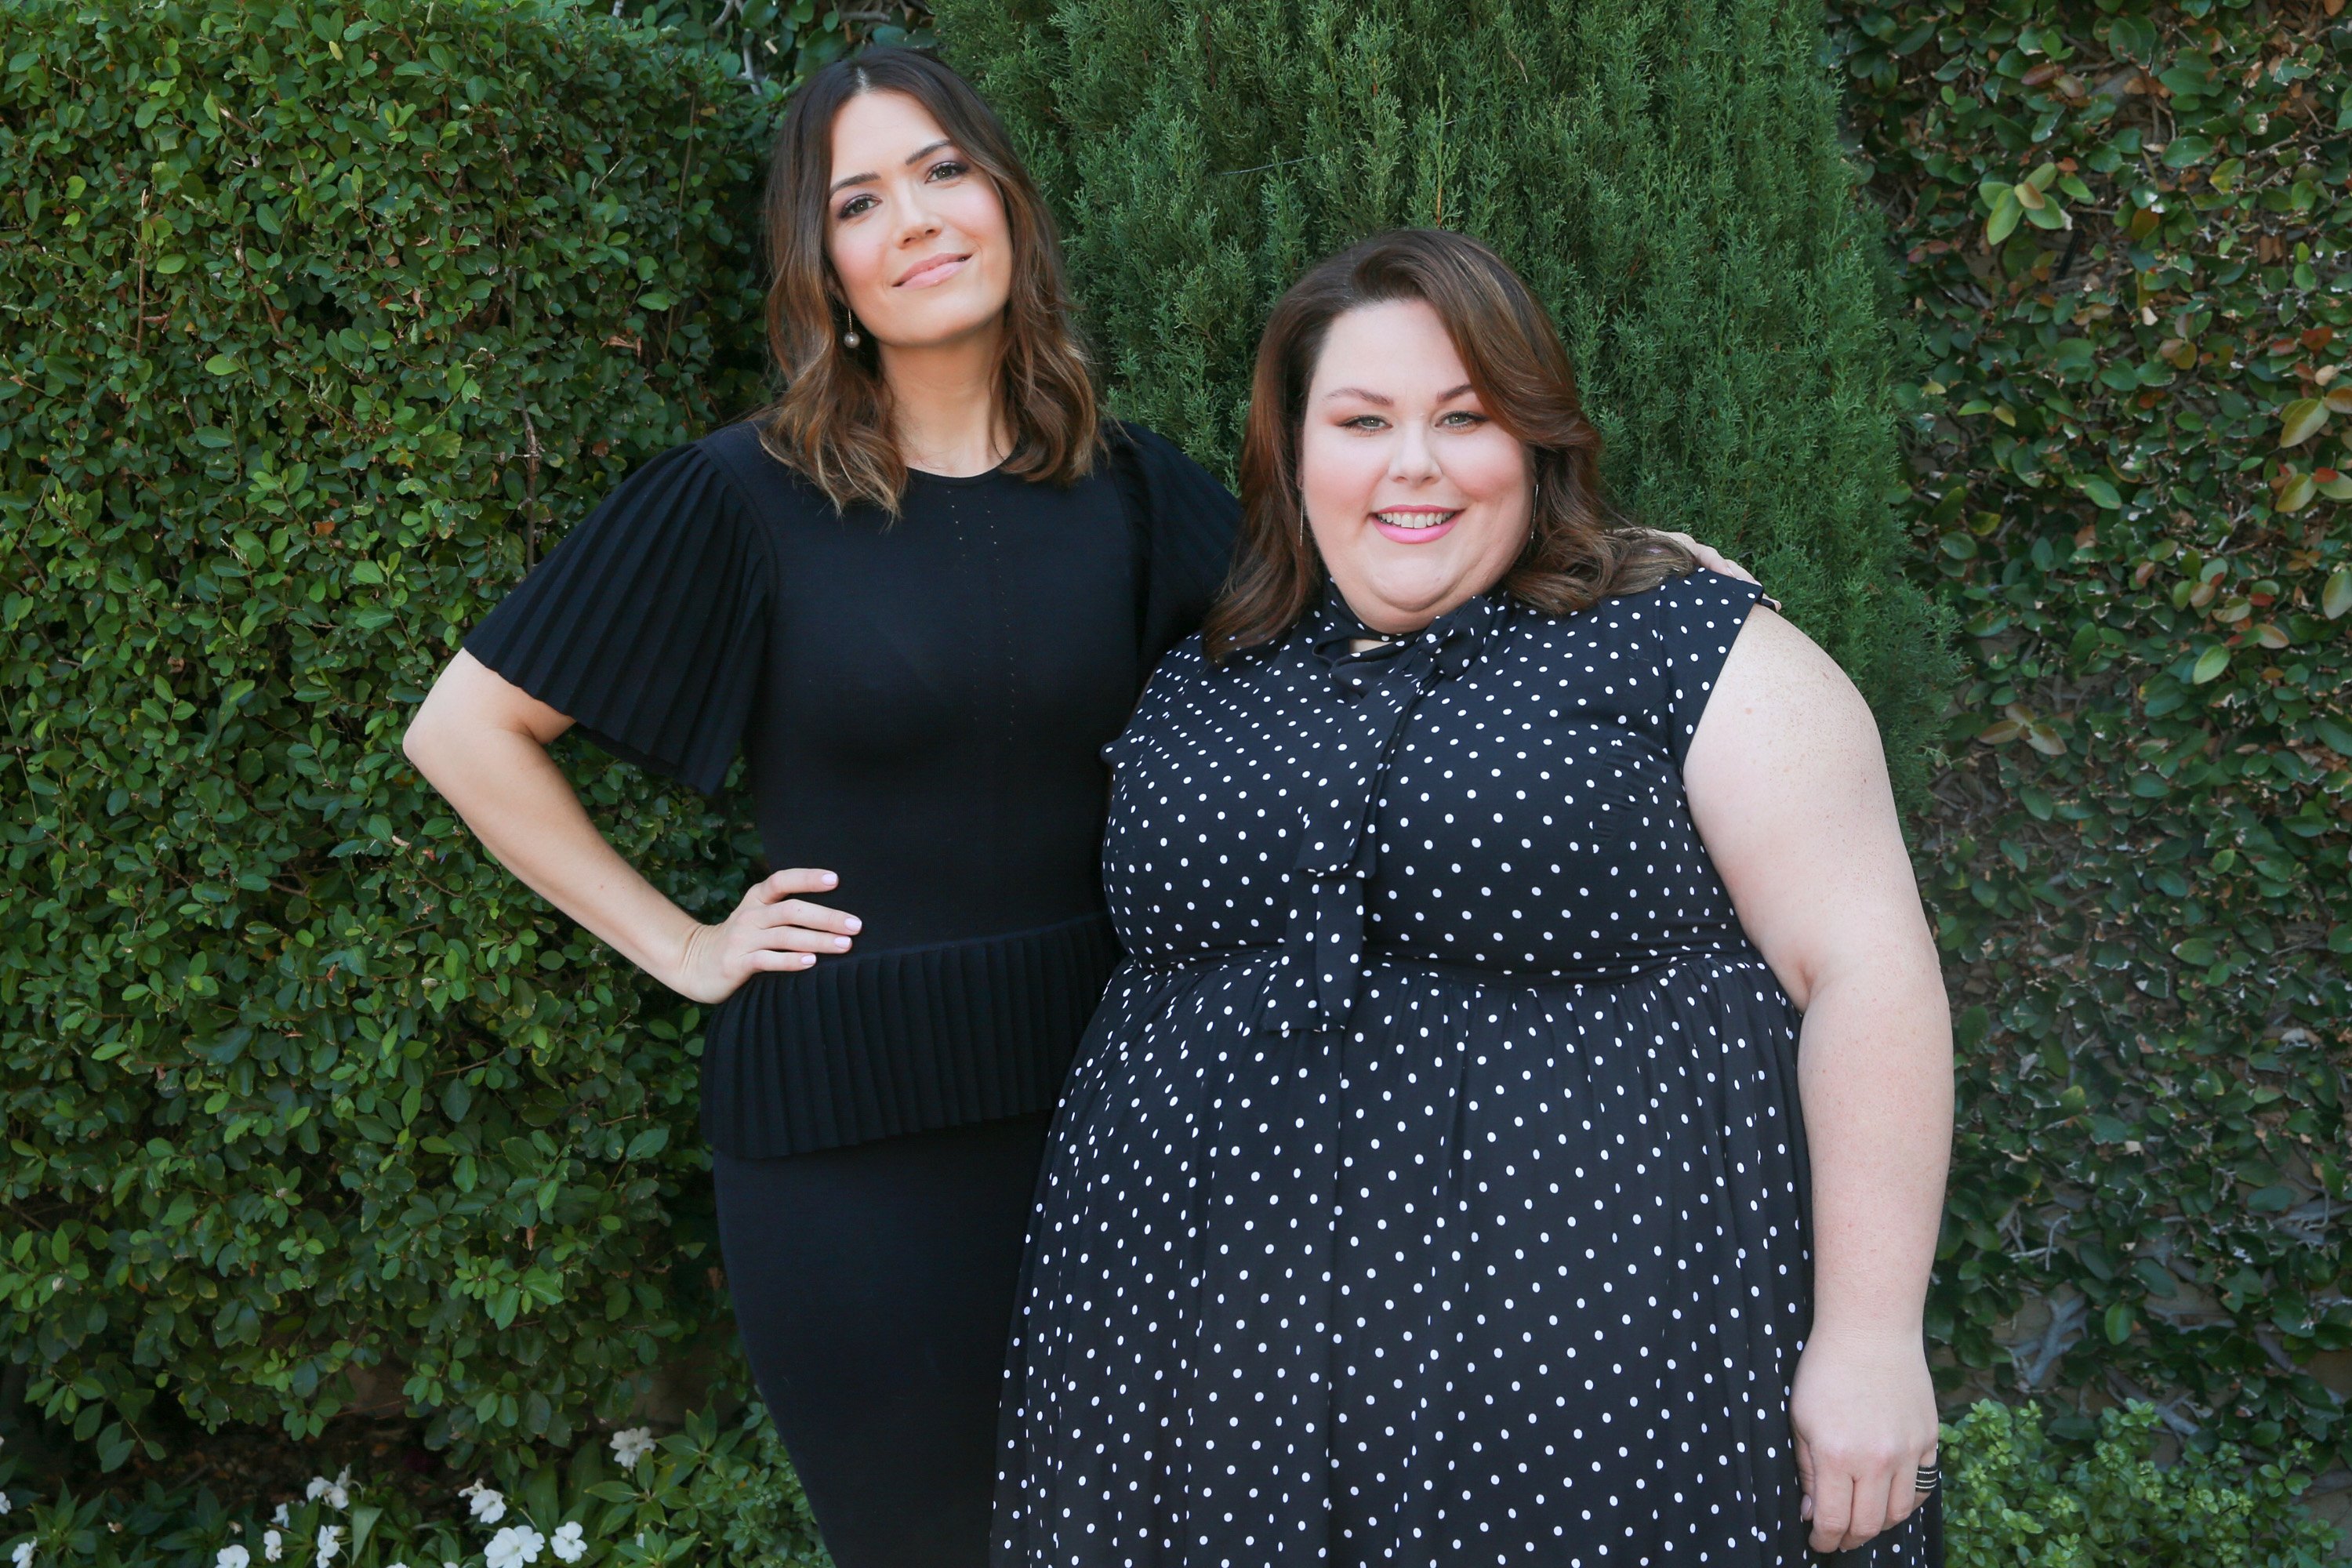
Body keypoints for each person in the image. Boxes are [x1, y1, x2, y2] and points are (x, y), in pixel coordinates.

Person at [405, 45, 1752, 1568]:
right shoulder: (739, 498)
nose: (912, 218)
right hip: (851, 1146)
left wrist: (1630, 563)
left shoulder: (1130, 493)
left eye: (942, 172)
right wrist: (683, 944)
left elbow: (1384, 570)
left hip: (1114, 1124)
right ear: (825, 269)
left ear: (1006, 204)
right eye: (858, 201)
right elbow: (468, 729)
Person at [993, 229, 1954, 1566]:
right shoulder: (1204, 674)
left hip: (1610, 1413)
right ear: (1291, 448)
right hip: (1193, 1412)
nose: (1414, 464)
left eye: (1466, 417)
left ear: (1538, 438)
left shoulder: (1687, 645)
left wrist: (1869, 1341)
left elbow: (1868, 972)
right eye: (1363, 419)